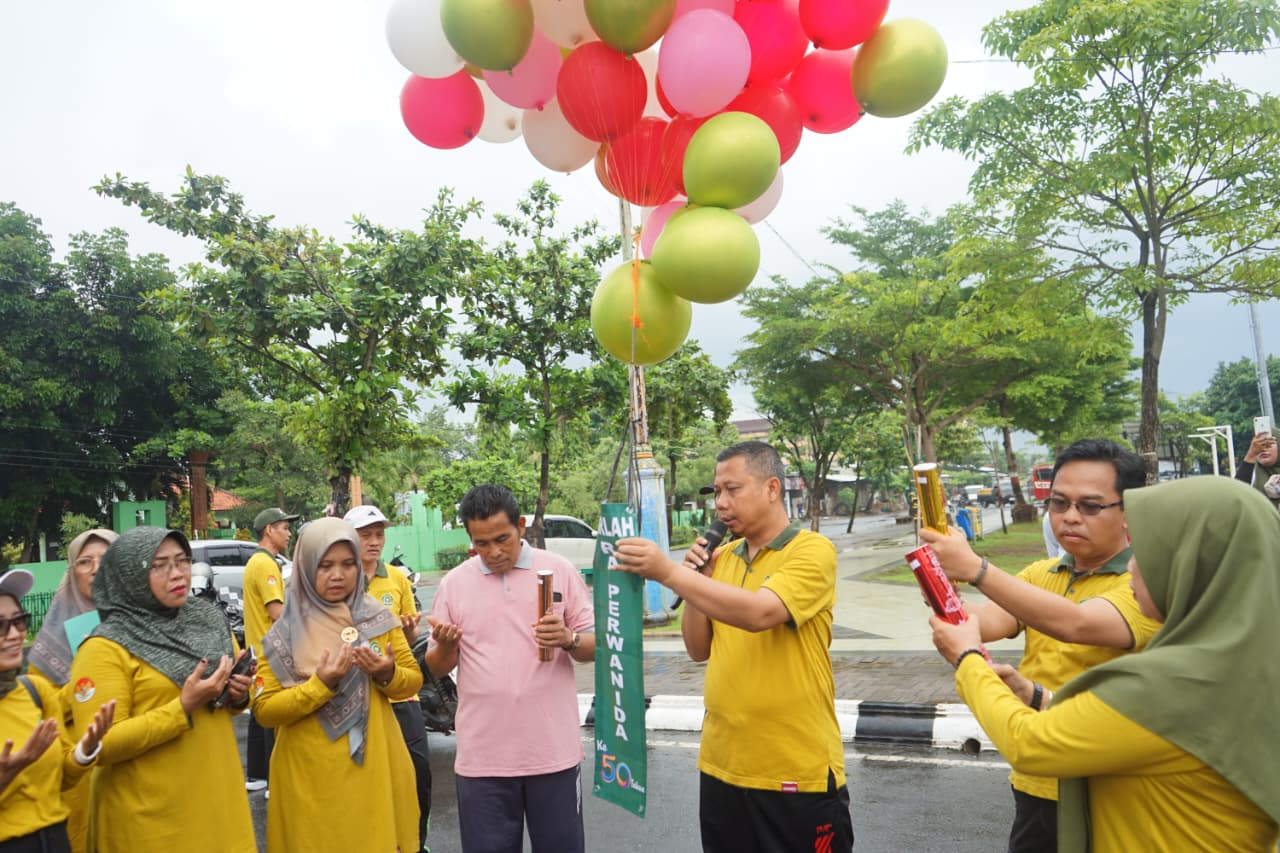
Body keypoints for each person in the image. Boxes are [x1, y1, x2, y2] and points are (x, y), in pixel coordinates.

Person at [930, 476, 1280, 852]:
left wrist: (968, 660)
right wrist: (1036, 696)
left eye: (1147, 552)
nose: (1133, 568)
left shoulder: (1179, 680)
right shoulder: (1243, 661)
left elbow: (1031, 743)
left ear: (1190, 564)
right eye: (1059, 503)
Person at [919, 438, 1160, 853]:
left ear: (1130, 511)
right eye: (1059, 503)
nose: (1069, 517)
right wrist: (938, 576)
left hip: (1108, 787)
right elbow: (982, 620)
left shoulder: (1146, 584)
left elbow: (1078, 623)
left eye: (1089, 506)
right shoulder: (1041, 572)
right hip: (1037, 778)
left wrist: (976, 568)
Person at [614, 441, 854, 853]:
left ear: (773, 488)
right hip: (722, 767)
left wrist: (670, 572)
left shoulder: (811, 550)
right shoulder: (721, 558)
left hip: (794, 769)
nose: (721, 504)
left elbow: (760, 614)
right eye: (717, 492)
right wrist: (698, 580)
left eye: (733, 489)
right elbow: (697, 647)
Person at [425, 484, 595, 853]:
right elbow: (437, 666)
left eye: (502, 538)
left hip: (552, 753)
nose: (494, 552)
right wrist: (448, 645)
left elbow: (596, 646)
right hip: (483, 760)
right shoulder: (455, 584)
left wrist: (568, 638)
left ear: (520, 525)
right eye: (481, 543)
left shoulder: (559, 571)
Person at [67, 526, 256, 853]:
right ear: (129, 575)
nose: (177, 573)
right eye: (159, 565)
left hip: (220, 806)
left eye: (183, 561)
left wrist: (238, 694)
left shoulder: (208, 621)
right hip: (152, 825)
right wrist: (181, 708)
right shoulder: (103, 648)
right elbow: (102, 744)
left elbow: (224, 705)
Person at [253, 517, 423, 853]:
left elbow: (411, 681)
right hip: (308, 773)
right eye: (325, 565)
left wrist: (386, 674)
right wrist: (319, 685)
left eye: (348, 564)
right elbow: (264, 711)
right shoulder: (283, 633)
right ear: (305, 566)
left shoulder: (376, 617)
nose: (337, 575)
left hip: (374, 764)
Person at [1, 568, 115, 853]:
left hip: (55, 840)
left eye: (19, 621)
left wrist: (85, 749)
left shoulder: (35, 692)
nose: (14, 634)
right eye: (0, 625)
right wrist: (8, 774)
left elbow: (63, 778)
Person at [343, 503, 432, 853]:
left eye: (379, 534)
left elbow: (406, 644)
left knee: (418, 773)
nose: (374, 542)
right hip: (353, 699)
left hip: (399, 695)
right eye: (366, 535)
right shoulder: (338, 580)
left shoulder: (396, 579)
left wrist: (407, 635)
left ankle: (415, 842)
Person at [25, 528, 118, 853]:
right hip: (81, 774)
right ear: (72, 571)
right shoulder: (53, 641)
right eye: (84, 562)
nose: (95, 568)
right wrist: (84, 688)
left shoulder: (145, 623)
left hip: (136, 767)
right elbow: (37, 712)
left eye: (105, 559)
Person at [242, 507, 297, 794]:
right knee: (273, 714)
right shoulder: (265, 565)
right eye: (284, 528)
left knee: (257, 712)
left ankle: (257, 775)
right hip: (269, 649)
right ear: (269, 530)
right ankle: (275, 780)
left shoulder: (256, 561)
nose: (288, 533)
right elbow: (276, 611)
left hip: (257, 648)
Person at [1235, 428, 1280, 510]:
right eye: (1259, 447)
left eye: (1268, 445)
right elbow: (1236, 496)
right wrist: (1250, 456)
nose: (1263, 450)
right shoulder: (1250, 473)